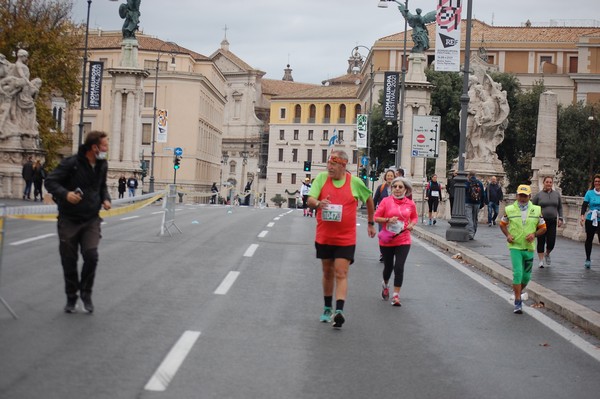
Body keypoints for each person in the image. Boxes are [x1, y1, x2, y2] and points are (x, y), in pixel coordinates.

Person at [307, 150, 376, 329]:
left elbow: (369, 199)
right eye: (328, 163)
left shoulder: (355, 182)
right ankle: (328, 307)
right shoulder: (322, 178)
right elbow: (310, 199)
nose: (329, 167)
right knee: (327, 272)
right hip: (324, 235)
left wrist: (370, 222)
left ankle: (339, 311)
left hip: (346, 237)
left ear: (343, 165)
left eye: (333, 164)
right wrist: (318, 203)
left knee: (341, 272)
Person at [45, 131, 112, 313]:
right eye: (105, 146)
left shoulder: (102, 165)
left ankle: (86, 293)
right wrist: (65, 194)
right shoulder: (71, 163)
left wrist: (106, 199)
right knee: (69, 260)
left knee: (92, 256)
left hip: (91, 220)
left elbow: (102, 186)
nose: (107, 149)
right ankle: (71, 296)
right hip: (69, 220)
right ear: (94, 147)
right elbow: (50, 182)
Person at [499, 185, 546, 314]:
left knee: (526, 277)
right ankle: (518, 302)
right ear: (516, 196)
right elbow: (502, 224)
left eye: (525, 196)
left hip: (529, 248)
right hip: (515, 246)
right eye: (520, 195)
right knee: (518, 273)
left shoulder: (537, 210)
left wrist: (534, 234)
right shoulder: (509, 209)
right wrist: (508, 235)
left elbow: (543, 227)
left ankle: (517, 291)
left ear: (530, 196)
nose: (522, 198)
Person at [374, 177, 418, 306]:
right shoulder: (386, 202)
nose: (397, 189)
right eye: (395, 187)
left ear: (406, 189)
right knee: (388, 267)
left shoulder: (410, 203)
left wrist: (412, 224)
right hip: (388, 239)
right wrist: (387, 220)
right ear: (391, 188)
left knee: (399, 267)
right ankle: (385, 284)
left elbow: (414, 217)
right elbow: (376, 217)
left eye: (400, 187)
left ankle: (396, 296)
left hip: (403, 239)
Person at [532, 176, 564, 268]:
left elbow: (560, 207)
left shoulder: (556, 195)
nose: (549, 184)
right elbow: (533, 208)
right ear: (544, 183)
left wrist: (560, 218)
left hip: (552, 221)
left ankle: (547, 253)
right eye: (547, 182)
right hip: (541, 221)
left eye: (550, 182)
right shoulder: (539, 195)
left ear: (552, 183)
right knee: (541, 240)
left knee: (551, 241)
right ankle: (541, 260)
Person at [373, 169, 396, 261]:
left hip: (394, 215)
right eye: (388, 175)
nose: (390, 177)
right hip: (382, 215)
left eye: (391, 176)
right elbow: (375, 199)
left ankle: (390, 252)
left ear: (394, 177)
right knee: (382, 234)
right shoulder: (381, 187)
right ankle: (383, 253)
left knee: (392, 234)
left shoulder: (397, 187)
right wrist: (373, 211)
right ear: (385, 177)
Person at [580, 174, 600, 269]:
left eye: (598, 181)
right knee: (589, 239)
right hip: (591, 218)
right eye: (595, 181)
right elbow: (584, 205)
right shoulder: (589, 193)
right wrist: (582, 216)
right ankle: (588, 258)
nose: (597, 183)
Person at [465, 171, 485, 240]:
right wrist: (482, 203)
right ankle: (474, 232)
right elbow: (483, 194)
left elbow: (464, 191)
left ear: (469, 175)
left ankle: (470, 233)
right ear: (475, 175)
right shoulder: (479, 183)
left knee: (469, 218)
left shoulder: (467, 183)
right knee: (475, 218)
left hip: (468, 202)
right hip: (477, 203)